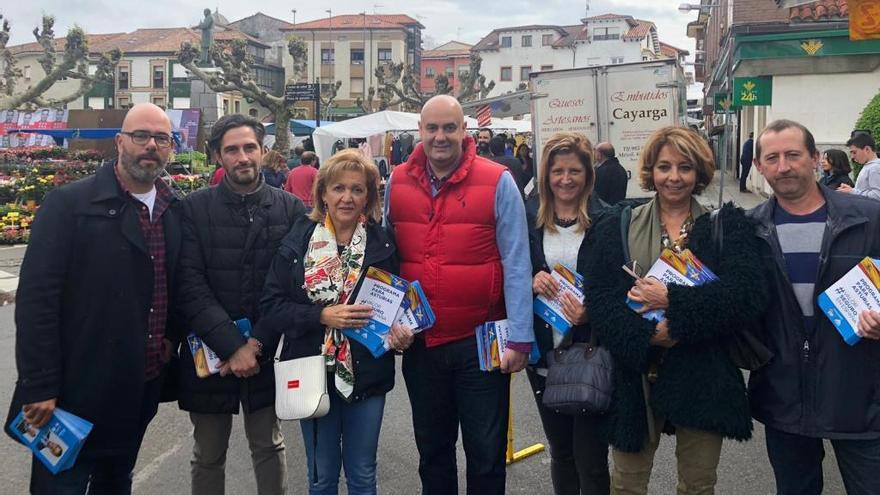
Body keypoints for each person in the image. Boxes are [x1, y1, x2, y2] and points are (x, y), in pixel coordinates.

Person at [8, 103, 182, 494]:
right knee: (61, 486)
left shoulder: (173, 210)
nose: (150, 146)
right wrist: (39, 384)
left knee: (115, 482)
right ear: (120, 142)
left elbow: (175, 286)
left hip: (140, 383)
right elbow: (38, 301)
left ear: (170, 148)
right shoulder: (69, 205)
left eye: (161, 138)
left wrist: (170, 338)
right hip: (75, 388)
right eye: (141, 136)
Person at [584, 126, 768, 494]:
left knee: (698, 483)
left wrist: (675, 307)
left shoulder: (724, 226)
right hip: (633, 373)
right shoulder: (619, 223)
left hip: (702, 371)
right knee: (627, 483)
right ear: (650, 171)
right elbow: (600, 295)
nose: (674, 177)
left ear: (699, 172)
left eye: (684, 167)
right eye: (664, 167)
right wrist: (646, 335)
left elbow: (745, 296)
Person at [383, 95, 534, 495]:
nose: (440, 137)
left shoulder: (498, 180)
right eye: (432, 128)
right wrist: (390, 322)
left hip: (481, 343)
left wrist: (521, 335)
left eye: (449, 127)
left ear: (465, 131)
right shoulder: (397, 181)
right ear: (420, 130)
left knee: (485, 455)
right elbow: (387, 260)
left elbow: (517, 261)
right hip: (423, 344)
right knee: (433, 453)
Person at [747, 119, 880, 495]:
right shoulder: (748, 230)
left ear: (816, 158)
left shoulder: (868, 219)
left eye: (793, 155)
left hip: (861, 396)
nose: (783, 166)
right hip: (784, 397)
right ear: (759, 166)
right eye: (772, 158)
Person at [176, 114, 305, 495]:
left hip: (265, 352)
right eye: (232, 150)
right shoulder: (193, 209)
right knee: (208, 454)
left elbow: (291, 287)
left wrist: (257, 343)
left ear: (263, 152)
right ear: (218, 156)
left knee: (268, 445)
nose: (243, 157)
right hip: (211, 352)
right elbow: (190, 285)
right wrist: (232, 345)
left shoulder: (291, 210)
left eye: (250, 147)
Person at [261, 149, 396, 495]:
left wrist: (401, 331)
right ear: (323, 193)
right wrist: (320, 315)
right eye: (338, 188)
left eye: (357, 189)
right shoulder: (299, 239)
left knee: (363, 474)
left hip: (367, 372)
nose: (347, 197)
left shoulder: (383, 243)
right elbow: (272, 305)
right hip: (312, 370)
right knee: (321, 477)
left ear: (369, 195)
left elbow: (396, 307)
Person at [525, 132, 610, 495]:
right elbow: (511, 273)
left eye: (574, 170)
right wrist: (531, 279)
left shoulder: (607, 221)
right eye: (557, 171)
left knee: (590, 458)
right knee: (561, 454)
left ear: (588, 175)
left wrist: (592, 311)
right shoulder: (530, 220)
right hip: (544, 355)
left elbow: (619, 287)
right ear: (546, 176)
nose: (565, 179)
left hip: (588, 353)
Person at [837, 132, 880, 200]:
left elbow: (877, 195)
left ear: (867, 149)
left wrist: (852, 191)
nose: (852, 157)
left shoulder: (875, 168)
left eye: (854, 152)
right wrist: (850, 190)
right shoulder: (870, 166)